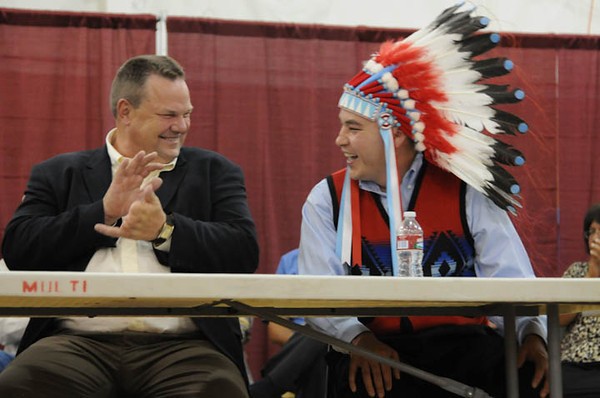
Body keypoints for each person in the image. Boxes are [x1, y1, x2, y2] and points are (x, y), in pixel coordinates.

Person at [298, 4, 549, 398]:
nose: (340, 140)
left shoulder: (465, 190)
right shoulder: (326, 199)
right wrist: (357, 340)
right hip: (372, 347)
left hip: (462, 346)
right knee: (364, 380)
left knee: (525, 375)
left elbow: (512, 278)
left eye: (353, 127)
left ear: (393, 133)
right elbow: (316, 294)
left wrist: (532, 334)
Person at [0, 55, 259, 397]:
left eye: (187, 114)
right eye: (169, 115)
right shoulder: (60, 173)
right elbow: (19, 250)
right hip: (74, 344)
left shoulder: (215, 172)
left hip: (186, 349)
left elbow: (244, 250)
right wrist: (103, 211)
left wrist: (165, 231)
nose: (181, 126)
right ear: (125, 112)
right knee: (18, 388)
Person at [250, 249, 328, 398]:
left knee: (326, 328)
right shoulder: (291, 260)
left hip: (346, 339)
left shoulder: (351, 259)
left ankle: (268, 386)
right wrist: (305, 348)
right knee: (321, 338)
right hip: (300, 353)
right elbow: (276, 331)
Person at [559, 202, 600, 397]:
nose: (596, 238)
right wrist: (592, 274)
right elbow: (560, 317)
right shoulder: (576, 272)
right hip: (576, 363)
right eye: (591, 231)